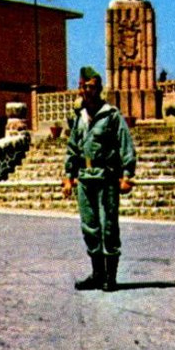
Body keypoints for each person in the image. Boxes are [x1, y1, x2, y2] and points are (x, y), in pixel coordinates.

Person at [62, 66, 137, 291]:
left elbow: (126, 145)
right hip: (85, 177)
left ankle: (110, 277)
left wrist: (127, 175)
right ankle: (97, 274)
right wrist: (68, 176)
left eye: (93, 87)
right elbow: (73, 148)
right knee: (90, 227)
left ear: (100, 89)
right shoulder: (80, 117)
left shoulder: (111, 115)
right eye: (85, 87)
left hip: (107, 176)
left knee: (108, 227)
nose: (89, 91)